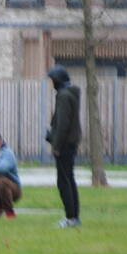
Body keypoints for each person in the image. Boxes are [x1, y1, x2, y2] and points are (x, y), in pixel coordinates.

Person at [46, 65, 82, 228]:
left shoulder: (63, 96)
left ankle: (70, 217)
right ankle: (74, 216)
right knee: (70, 179)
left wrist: (56, 145)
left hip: (65, 144)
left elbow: (62, 124)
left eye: (53, 80)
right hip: (71, 142)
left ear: (58, 80)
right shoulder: (71, 94)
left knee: (64, 182)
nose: (52, 82)